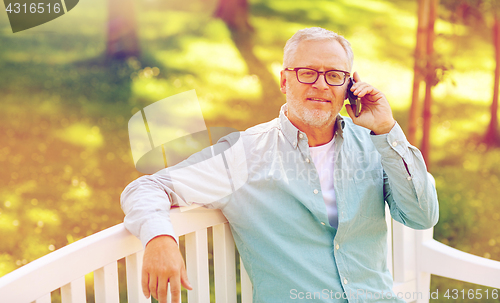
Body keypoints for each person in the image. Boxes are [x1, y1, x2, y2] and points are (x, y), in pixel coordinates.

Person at [121, 27, 439, 303]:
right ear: (284, 80)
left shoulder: (374, 143)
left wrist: (385, 131)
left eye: (334, 75)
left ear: (349, 86)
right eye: (307, 73)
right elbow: (148, 186)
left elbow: (421, 216)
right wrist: (159, 238)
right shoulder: (243, 154)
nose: (321, 84)